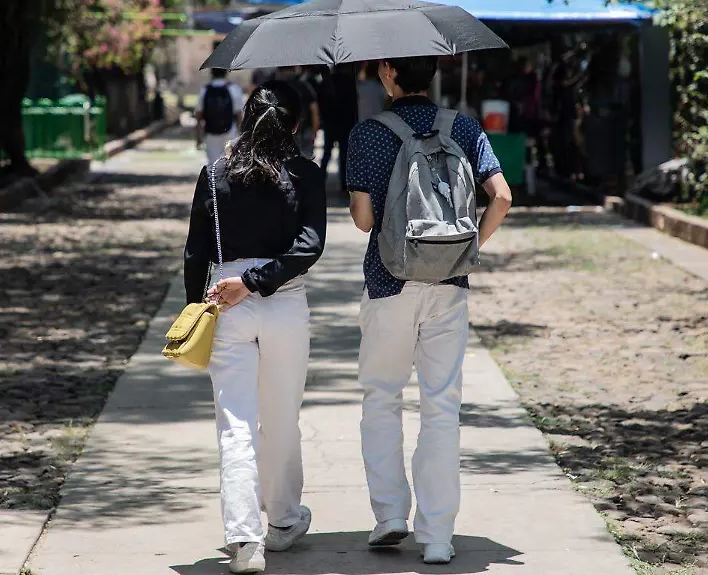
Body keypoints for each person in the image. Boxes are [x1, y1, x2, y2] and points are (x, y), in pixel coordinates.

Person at [346, 56, 513, 566]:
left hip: (389, 283)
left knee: (381, 397)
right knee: (441, 408)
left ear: (390, 74)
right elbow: (501, 196)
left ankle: (390, 516)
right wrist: (469, 248)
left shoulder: (368, 134)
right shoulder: (462, 126)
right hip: (449, 285)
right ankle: (438, 537)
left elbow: (362, 220)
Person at [184, 80, 327, 574]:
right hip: (284, 303)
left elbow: (195, 252)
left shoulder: (214, 173)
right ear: (293, 126)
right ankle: (284, 520)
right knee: (282, 417)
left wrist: (195, 309)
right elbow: (308, 248)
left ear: (244, 121)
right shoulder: (304, 175)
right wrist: (259, 280)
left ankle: (245, 539)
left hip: (224, 303)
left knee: (235, 424)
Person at [319, 66, 358, 197]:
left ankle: (320, 179)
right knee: (344, 155)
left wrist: (323, 120)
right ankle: (344, 184)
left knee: (327, 153)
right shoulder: (349, 82)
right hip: (345, 123)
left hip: (330, 122)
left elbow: (321, 103)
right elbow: (353, 105)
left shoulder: (327, 82)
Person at [196, 68, 246, 165]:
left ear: (211, 73)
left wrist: (198, 137)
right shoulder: (233, 89)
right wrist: (241, 135)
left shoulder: (205, 90)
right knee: (230, 163)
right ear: (226, 72)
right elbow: (239, 115)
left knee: (213, 165)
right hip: (230, 132)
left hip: (210, 133)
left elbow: (198, 115)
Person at [276, 66, 320, 160]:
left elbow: (314, 108)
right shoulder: (303, 85)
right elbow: (314, 108)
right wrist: (315, 129)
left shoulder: (278, 88)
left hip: (290, 130)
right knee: (306, 162)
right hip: (304, 128)